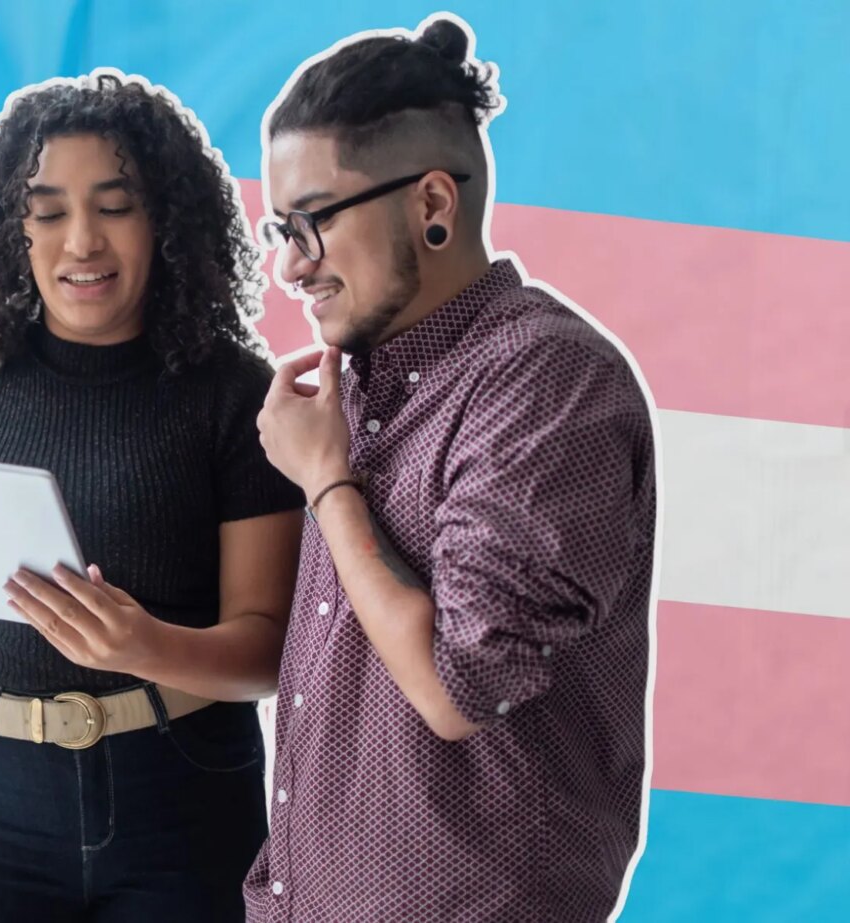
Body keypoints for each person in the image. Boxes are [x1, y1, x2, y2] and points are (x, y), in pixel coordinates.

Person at [0, 70, 304, 922]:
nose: (82, 241)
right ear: (14, 230)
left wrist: (144, 644)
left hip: (181, 797)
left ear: (166, 222)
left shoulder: (234, 395)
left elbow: (268, 653)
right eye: (48, 211)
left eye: (115, 206)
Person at [248, 15, 658, 922]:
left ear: (432, 204)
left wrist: (327, 484)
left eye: (311, 222)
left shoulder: (549, 380)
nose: (289, 265)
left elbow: (457, 687)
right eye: (281, 228)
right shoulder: (347, 388)